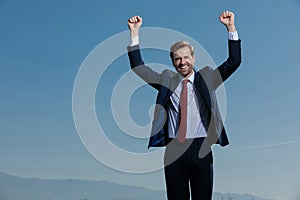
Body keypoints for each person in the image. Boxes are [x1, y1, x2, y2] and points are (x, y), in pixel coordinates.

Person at [127, 11, 241, 200]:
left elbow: (234, 62)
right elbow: (139, 68)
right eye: (177, 59)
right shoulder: (166, 80)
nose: (182, 62)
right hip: (173, 149)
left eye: (186, 57)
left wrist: (231, 28)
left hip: (201, 148)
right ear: (172, 61)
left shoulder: (207, 78)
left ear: (193, 58)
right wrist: (134, 33)